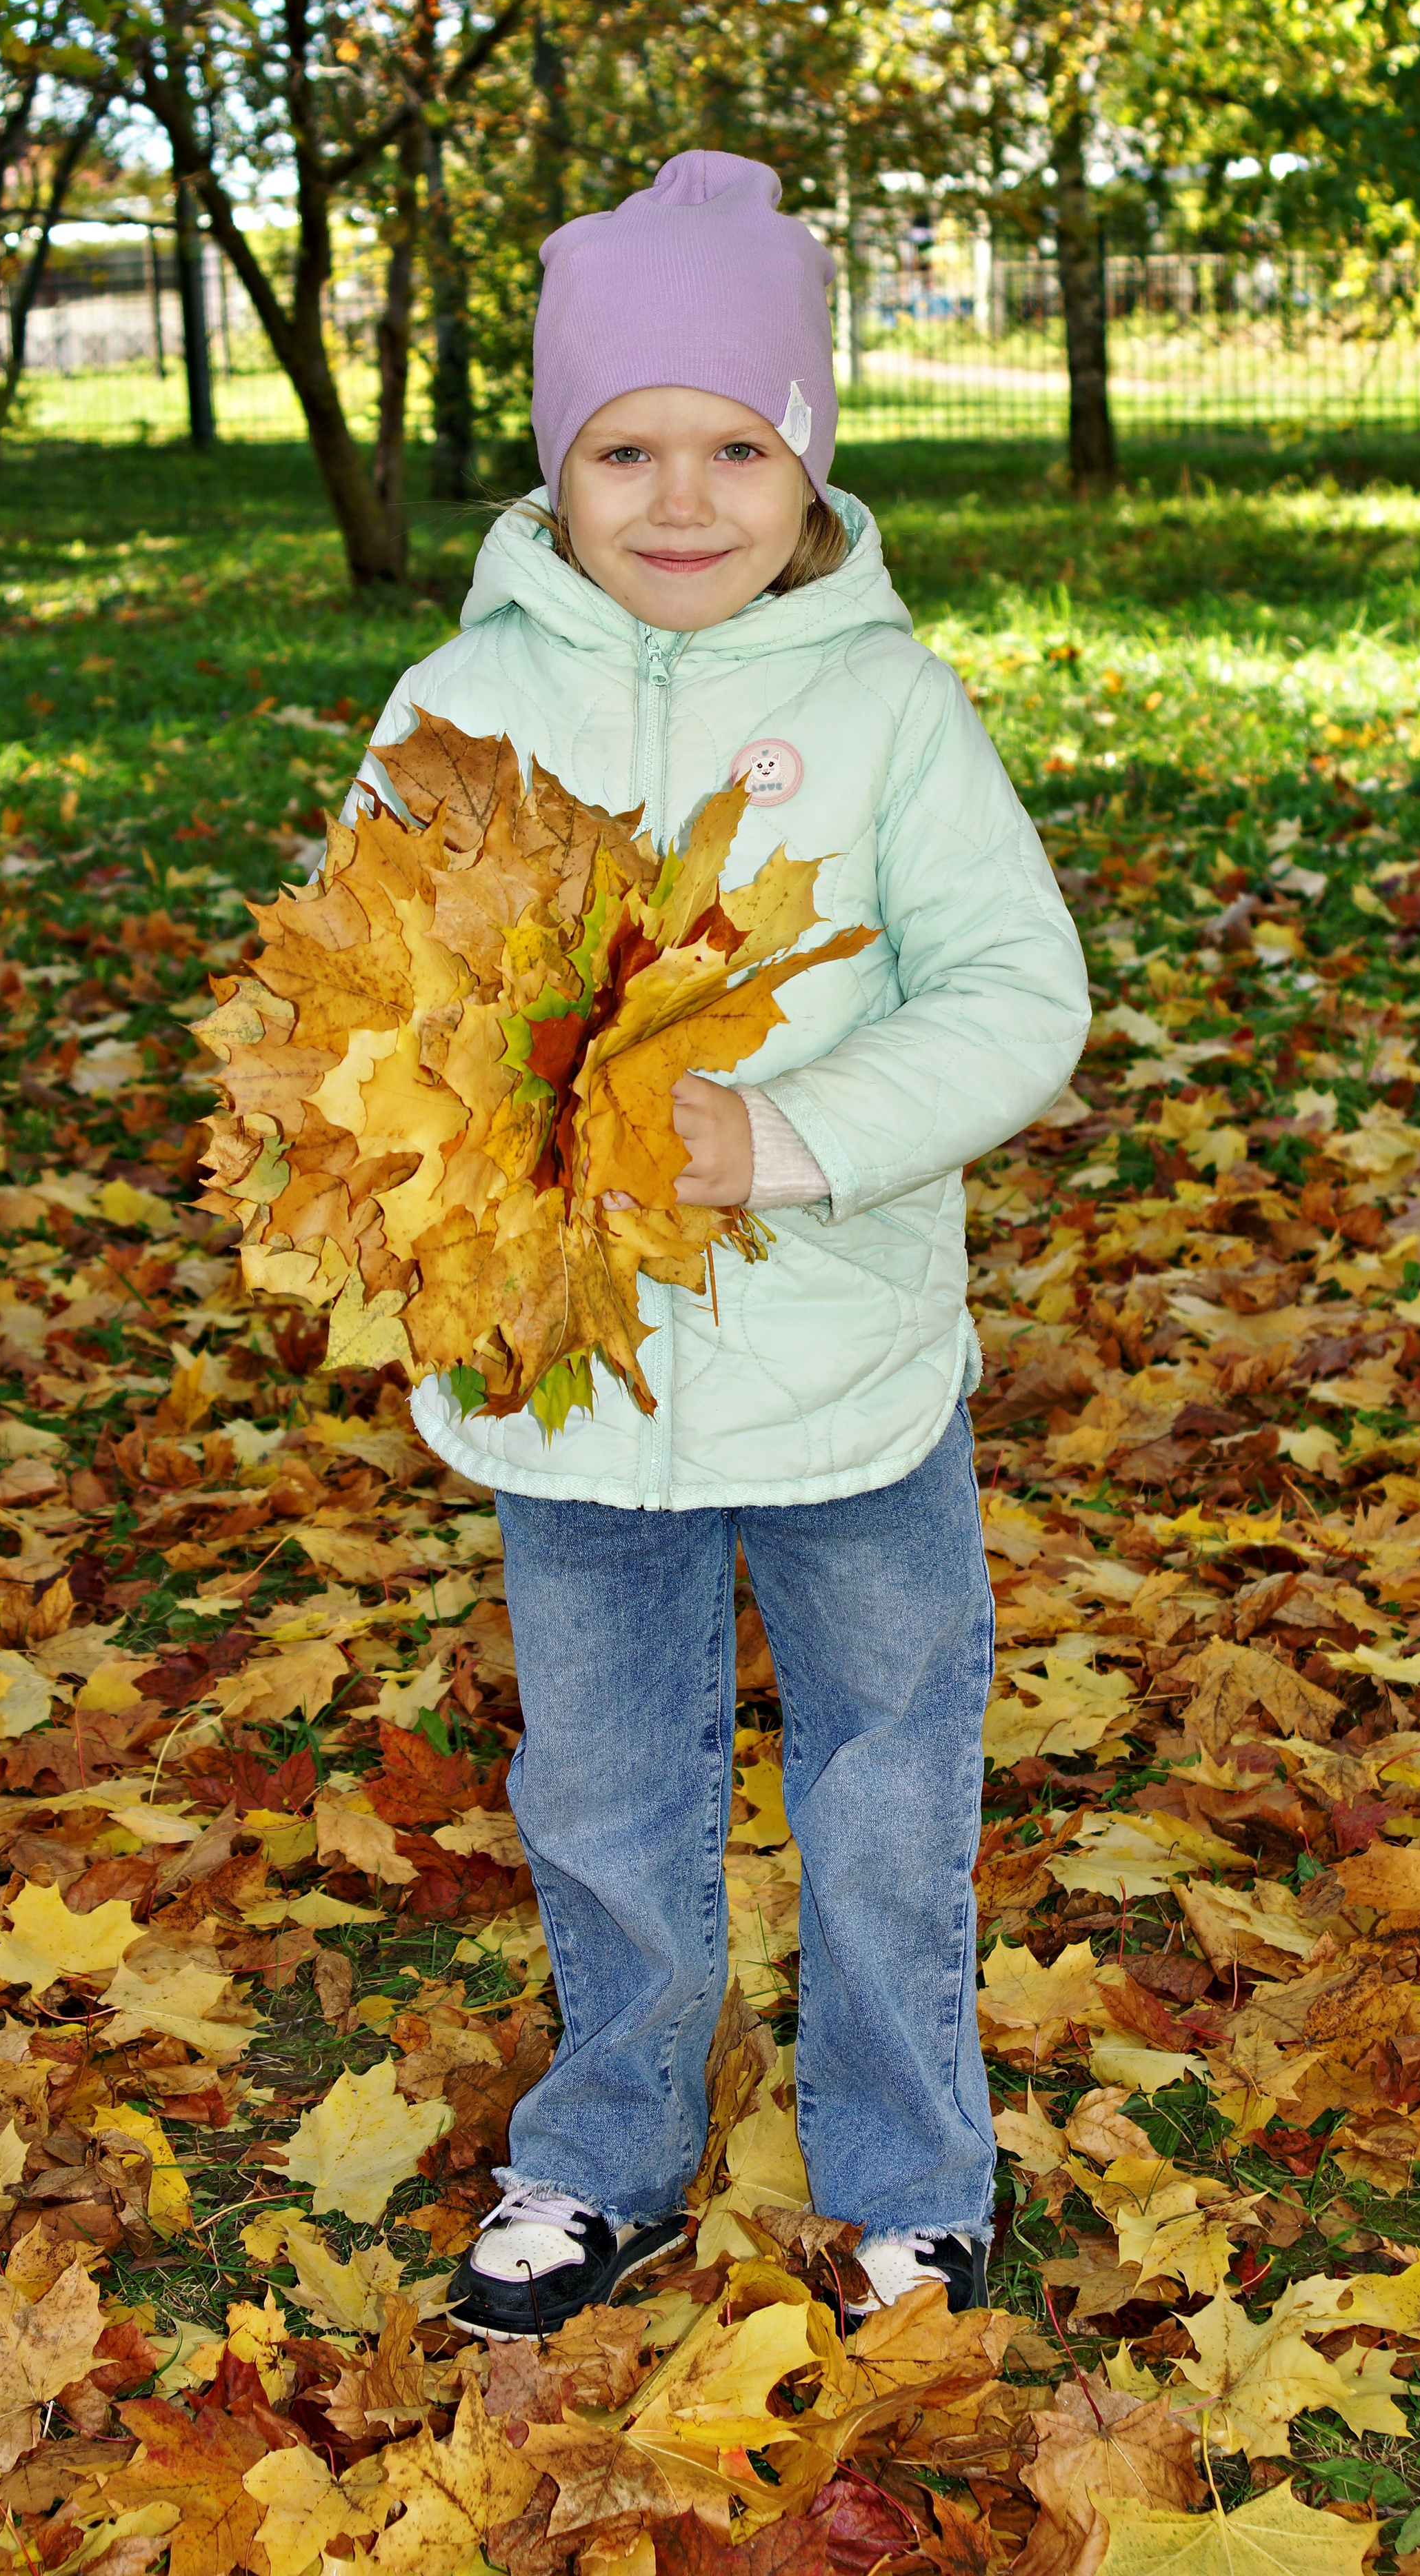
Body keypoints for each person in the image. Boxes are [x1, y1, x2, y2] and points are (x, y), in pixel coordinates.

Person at [340, 151, 1090, 2339]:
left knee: (882, 1776)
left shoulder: (886, 709)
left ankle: (914, 2173)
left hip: (844, 1374)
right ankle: (604, 2154)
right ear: (556, 464)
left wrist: (792, 1135)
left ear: (808, 455)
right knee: (595, 1785)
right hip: (564, 1389)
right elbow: (359, 998)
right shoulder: (452, 707)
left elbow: (1017, 996)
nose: (684, 497)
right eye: (625, 447)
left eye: (739, 444)